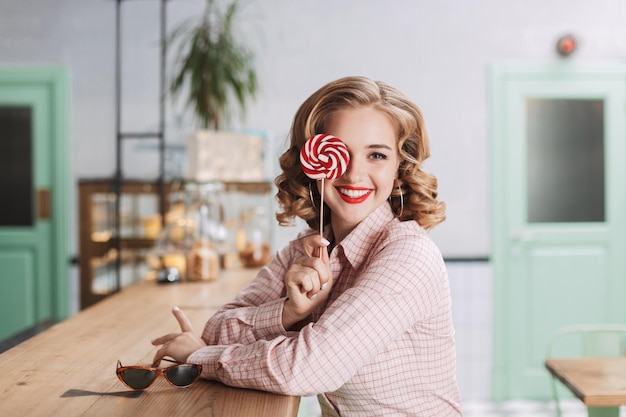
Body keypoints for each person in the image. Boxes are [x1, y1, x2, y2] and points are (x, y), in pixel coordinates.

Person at [151, 76, 462, 416]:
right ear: (312, 161)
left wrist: (197, 359)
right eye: (338, 152)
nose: (354, 174)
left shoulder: (408, 256)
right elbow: (216, 330)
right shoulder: (307, 248)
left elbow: (309, 368)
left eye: (376, 155)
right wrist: (289, 312)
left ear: (399, 168)